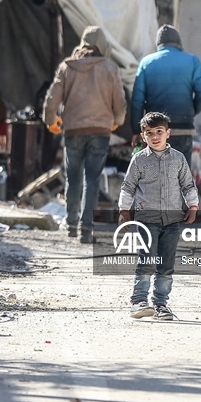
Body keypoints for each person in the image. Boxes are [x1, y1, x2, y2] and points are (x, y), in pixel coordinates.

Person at [44, 26, 126, 244]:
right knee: (92, 179)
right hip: (100, 131)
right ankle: (86, 229)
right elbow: (119, 102)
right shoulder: (110, 68)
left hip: (73, 130)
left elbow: (52, 99)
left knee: (73, 177)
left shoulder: (67, 67)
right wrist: (116, 122)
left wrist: (50, 121)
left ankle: (71, 224)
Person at [119, 112, 199, 321]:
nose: (155, 136)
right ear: (143, 137)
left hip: (172, 221)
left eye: (159, 132)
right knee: (147, 260)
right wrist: (124, 211)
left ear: (168, 133)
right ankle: (139, 301)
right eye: (149, 133)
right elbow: (128, 187)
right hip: (147, 220)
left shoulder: (178, 159)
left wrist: (193, 206)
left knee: (166, 264)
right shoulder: (139, 160)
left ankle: (161, 304)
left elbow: (187, 184)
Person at [130, 25, 201, 157]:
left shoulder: (146, 63)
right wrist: (192, 111)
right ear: (178, 42)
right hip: (183, 128)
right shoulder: (192, 61)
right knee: (181, 175)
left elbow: (137, 101)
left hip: (156, 131)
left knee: (155, 174)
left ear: (158, 44)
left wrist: (136, 130)